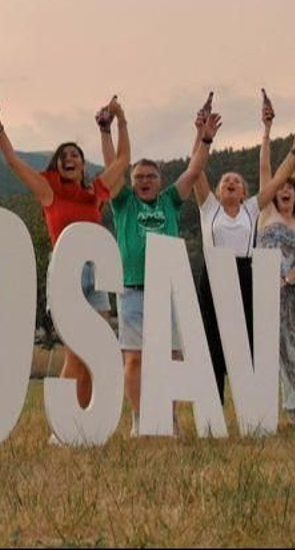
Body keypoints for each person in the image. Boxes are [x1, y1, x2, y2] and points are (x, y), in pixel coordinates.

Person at [0, 96, 131, 410]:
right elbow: (13, 160)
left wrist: (120, 120)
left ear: (82, 164)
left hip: (96, 271)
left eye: (75, 155)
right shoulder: (48, 189)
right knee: (77, 352)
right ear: (58, 163)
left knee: (95, 352)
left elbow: (123, 160)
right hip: (68, 271)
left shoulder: (94, 191)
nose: (69, 158)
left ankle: (84, 421)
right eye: (64, 155)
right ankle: (64, 421)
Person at [192, 93, 295, 401]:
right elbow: (195, 170)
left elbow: (279, 177)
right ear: (218, 190)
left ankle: (253, 405)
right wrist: (201, 137)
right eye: (225, 180)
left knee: (249, 339)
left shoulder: (251, 208)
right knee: (212, 339)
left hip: (246, 274)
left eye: (236, 180)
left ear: (244, 190)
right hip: (214, 274)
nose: (230, 182)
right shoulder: (208, 208)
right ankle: (213, 406)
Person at [108, 102, 215, 425]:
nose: (144, 181)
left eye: (150, 176)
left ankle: (168, 418)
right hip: (133, 290)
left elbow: (194, 170)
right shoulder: (124, 202)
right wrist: (113, 125)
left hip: (167, 290)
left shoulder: (169, 199)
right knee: (135, 360)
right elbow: (114, 164)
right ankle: (141, 419)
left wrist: (205, 140)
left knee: (169, 357)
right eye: (138, 176)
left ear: (159, 180)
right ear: (131, 180)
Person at [253, 108, 295, 416]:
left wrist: (290, 278)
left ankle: (293, 405)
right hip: (261, 288)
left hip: (289, 294)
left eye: (290, 189)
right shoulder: (265, 215)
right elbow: (267, 169)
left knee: (289, 347)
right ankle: (259, 405)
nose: (285, 191)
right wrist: (267, 131)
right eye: (281, 189)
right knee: (260, 347)